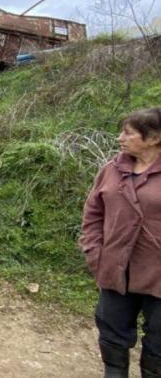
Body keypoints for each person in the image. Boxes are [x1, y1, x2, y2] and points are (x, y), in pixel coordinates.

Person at [80, 107, 161, 378]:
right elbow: (92, 214)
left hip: (158, 274)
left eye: (128, 133)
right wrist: (95, 253)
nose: (120, 138)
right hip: (115, 268)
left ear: (153, 138)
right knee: (112, 335)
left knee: (158, 344)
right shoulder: (112, 170)